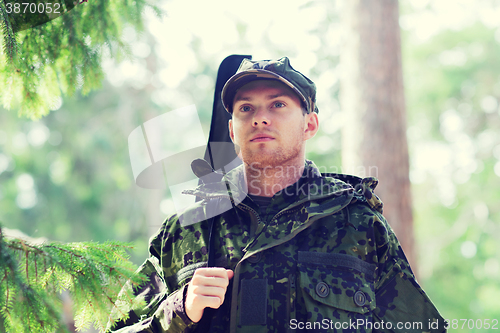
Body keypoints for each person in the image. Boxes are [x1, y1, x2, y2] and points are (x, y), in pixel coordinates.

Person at [109, 57, 446, 332]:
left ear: (309, 125)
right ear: (232, 130)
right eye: (246, 109)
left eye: (278, 105)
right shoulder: (185, 230)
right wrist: (177, 310)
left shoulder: (356, 223)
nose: (260, 119)